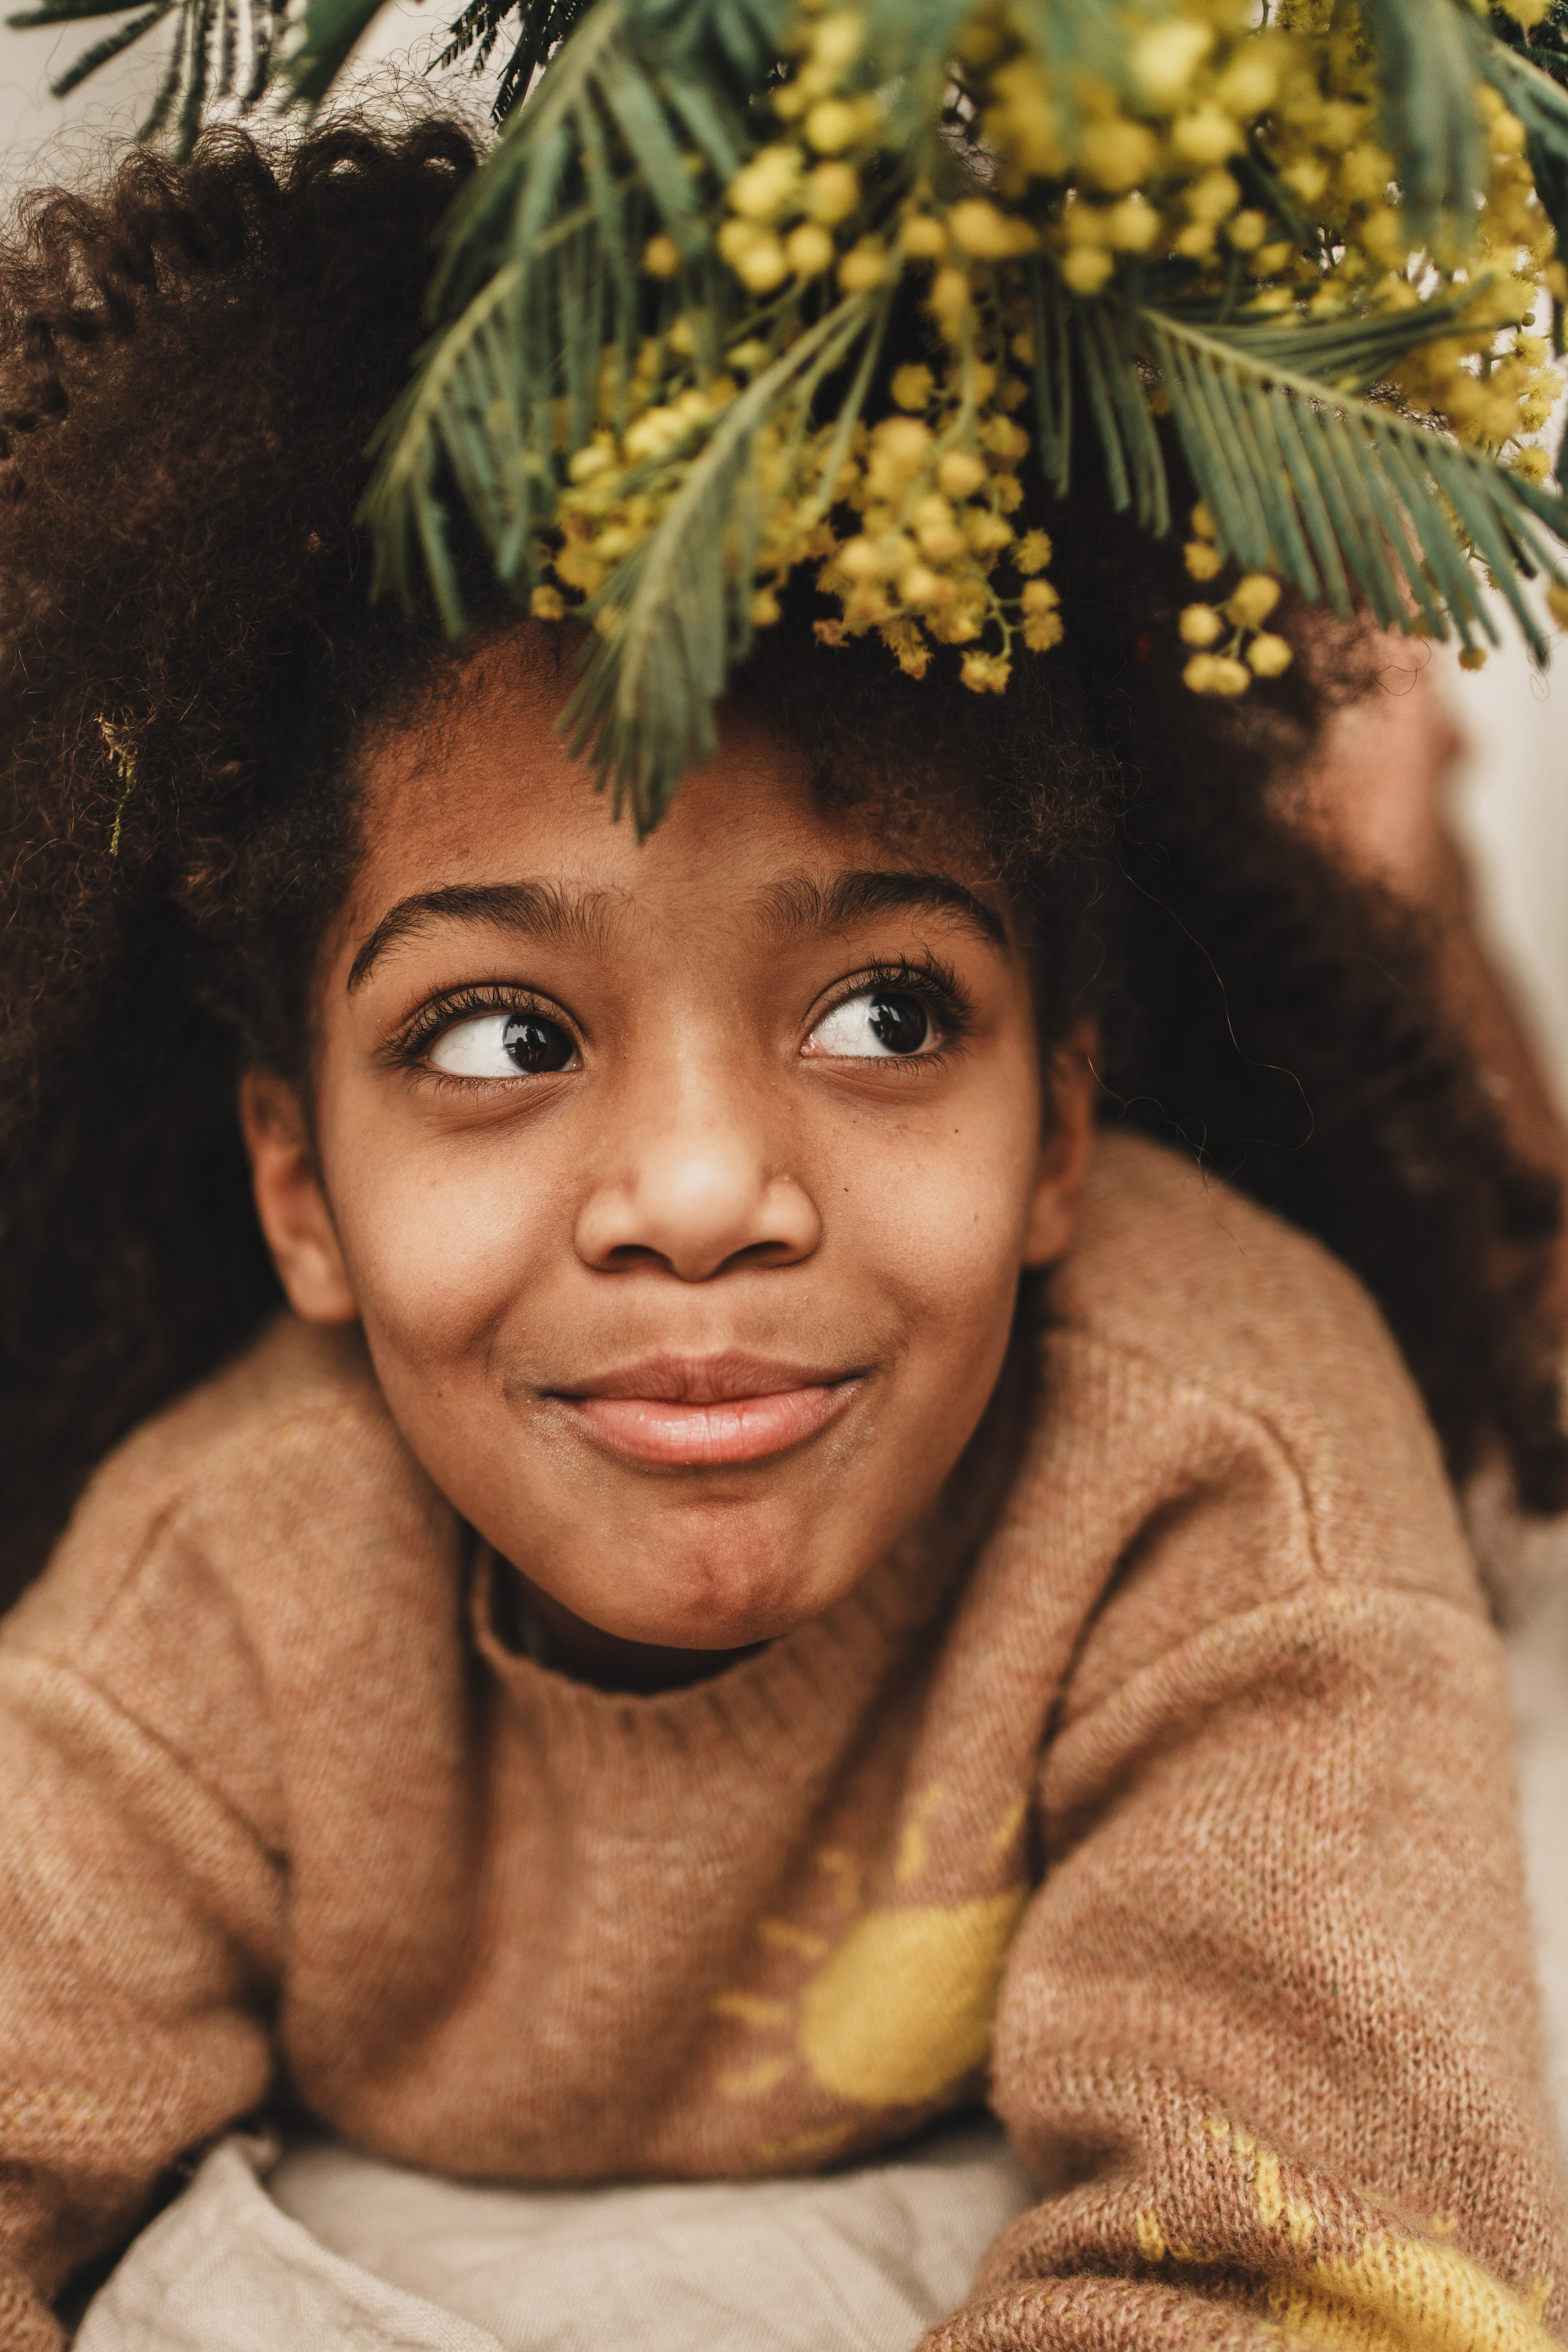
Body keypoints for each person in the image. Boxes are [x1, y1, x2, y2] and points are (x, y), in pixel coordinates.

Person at [1, 113, 1566, 2352]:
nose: (709, 1192)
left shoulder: (1225, 1462)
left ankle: (1384, 823)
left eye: (886, 1008)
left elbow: (1334, 2276)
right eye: (495, 1036)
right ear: (295, 1186)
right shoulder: (221, 1595)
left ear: (1061, 1126)